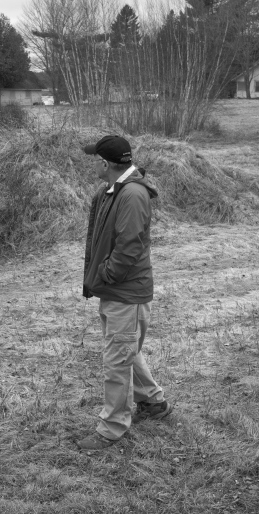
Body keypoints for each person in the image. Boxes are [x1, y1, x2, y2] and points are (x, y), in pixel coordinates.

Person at [77, 134, 172, 451]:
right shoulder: (118, 189)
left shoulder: (130, 195)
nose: (94, 164)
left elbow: (128, 248)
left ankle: (112, 427)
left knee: (117, 360)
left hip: (124, 291)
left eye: (96, 159)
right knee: (124, 350)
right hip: (119, 291)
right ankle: (153, 402)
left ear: (106, 163)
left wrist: (105, 275)